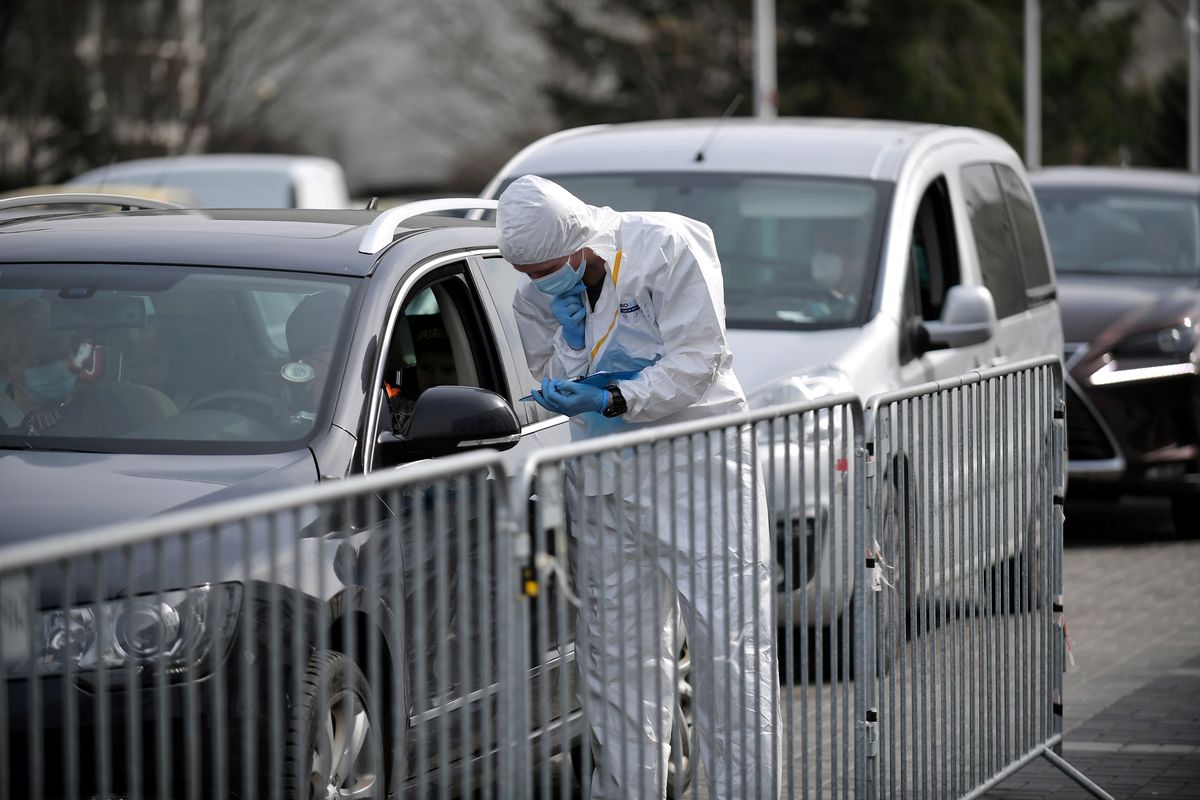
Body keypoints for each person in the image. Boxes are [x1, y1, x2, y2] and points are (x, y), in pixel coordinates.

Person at [497, 175, 779, 799]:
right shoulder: (537, 298)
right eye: (529, 274)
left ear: (577, 245)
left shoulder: (666, 248)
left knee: (730, 655)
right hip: (606, 484)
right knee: (617, 665)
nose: (541, 286)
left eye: (547, 270)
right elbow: (555, 376)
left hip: (699, 476)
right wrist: (571, 350)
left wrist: (620, 395)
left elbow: (699, 358)